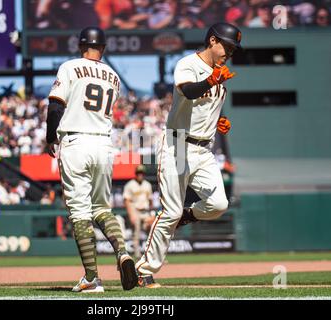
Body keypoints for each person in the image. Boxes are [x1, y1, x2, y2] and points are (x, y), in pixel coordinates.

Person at [135, 22, 241, 288]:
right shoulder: (188, 64)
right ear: (213, 41)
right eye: (227, 46)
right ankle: (144, 270)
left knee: (219, 204)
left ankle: (187, 216)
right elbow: (188, 92)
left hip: (203, 149)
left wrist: (220, 121)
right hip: (177, 146)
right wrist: (210, 79)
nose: (229, 52)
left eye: (233, 48)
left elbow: (207, 108)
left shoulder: (219, 75)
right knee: (169, 212)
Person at [45, 26, 138, 293]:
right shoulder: (113, 76)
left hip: (76, 142)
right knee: (102, 208)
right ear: (104, 48)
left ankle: (92, 278)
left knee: (80, 213)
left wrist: (51, 137)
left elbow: (55, 106)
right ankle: (122, 251)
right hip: (104, 144)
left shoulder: (70, 67)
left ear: (80, 45)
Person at [123, 164, 155, 259]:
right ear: (136, 174)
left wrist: (151, 214)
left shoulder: (147, 185)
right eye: (138, 173)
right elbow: (127, 201)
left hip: (145, 211)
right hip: (135, 211)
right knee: (136, 233)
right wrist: (131, 214)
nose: (140, 175)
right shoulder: (130, 185)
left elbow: (150, 200)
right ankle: (137, 255)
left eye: (142, 173)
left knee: (151, 231)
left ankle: (152, 254)